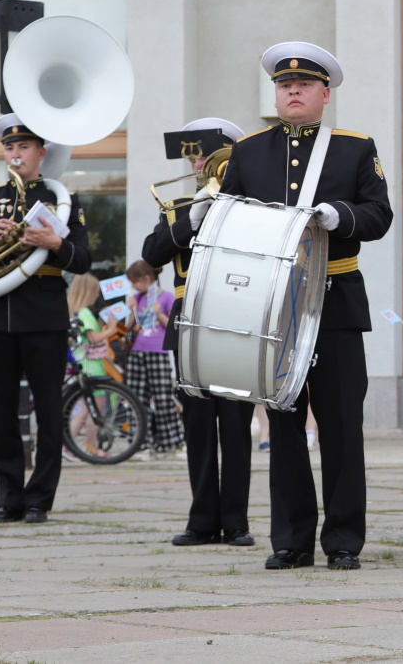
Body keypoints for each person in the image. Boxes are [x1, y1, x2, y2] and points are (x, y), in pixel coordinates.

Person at [217, 42, 393, 570]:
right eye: (283, 84)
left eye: (303, 85)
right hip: (273, 307)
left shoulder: (354, 149)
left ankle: (342, 541)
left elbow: (379, 216)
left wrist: (341, 216)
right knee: (283, 424)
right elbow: (226, 221)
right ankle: (291, 541)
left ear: (325, 94)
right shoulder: (249, 152)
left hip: (335, 302)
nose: (292, 91)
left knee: (341, 426)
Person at [0, 114, 90, 524]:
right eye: (10, 147)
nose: (15, 153)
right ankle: (8, 498)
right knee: (3, 411)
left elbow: (82, 260)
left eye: (24, 147)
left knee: (47, 410)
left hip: (45, 318)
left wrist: (54, 242)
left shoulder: (62, 200)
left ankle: (38, 499)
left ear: (41, 153)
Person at [141, 117, 257, 548]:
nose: (197, 162)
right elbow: (151, 253)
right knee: (198, 422)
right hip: (189, 314)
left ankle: (237, 521)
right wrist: (191, 219)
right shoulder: (176, 205)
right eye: (192, 154)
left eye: (205, 153)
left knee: (236, 422)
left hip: (235, 310)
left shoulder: (251, 203)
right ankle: (202, 519)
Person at [124, 260, 183, 458]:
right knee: (137, 399)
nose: (132, 286)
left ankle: (172, 443)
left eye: (134, 281)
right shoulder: (137, 299)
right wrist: (130, 311)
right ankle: (141, 445)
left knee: (163, 398)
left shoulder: (165, 297)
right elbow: (129, 329)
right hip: (137, 351)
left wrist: (159, 313)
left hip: (157, 351)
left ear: (146, 279)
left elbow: (172, 329)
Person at [66, 273, 119, 458]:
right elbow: (93, 338)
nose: (97, 296)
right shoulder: (86, 313)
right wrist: (112, 328)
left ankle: (79, 445)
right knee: (92, 410)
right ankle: (82, 446)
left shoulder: (78, 311)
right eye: (95, 292)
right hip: (92, 366)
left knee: (88, 409)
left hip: (86, 364)